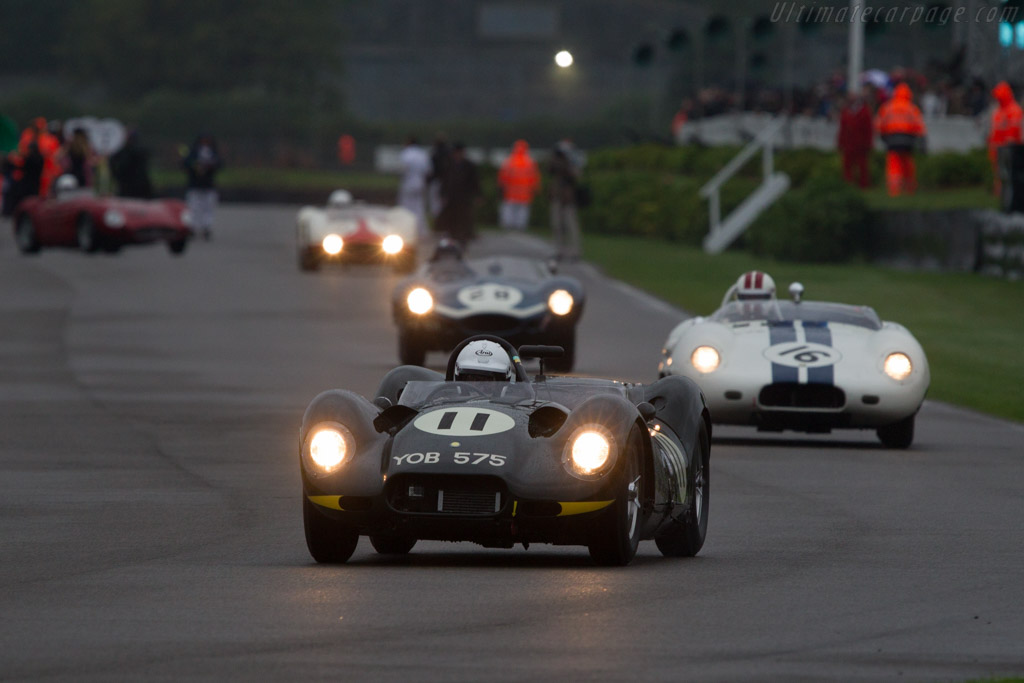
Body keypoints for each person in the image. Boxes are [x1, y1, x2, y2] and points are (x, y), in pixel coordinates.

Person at [875, 83, 926, 197]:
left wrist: (884, 138)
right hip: (908, 140)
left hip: (892, 140)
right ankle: (910, 189)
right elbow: (920, 126)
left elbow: (879, 125)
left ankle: (894, 190)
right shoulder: (911, 108)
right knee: (908, 164)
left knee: (893, 165)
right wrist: (922, 142)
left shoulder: (888, 107)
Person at [434, 142, 480, 248]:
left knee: (464, 217)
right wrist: (442, 194)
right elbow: (445, 181)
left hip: (464, 196)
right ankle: (451, 237)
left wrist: (478, 195)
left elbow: (475, 181)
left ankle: (464, 237)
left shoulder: (469, 165)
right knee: (451, 217)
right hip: (451, 196)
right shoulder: (449, 165)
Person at [182, 134, 223, 240]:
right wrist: (196, 166)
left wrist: (209, 166)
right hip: (195, 184)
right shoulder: (193, 152)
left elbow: (219, 164)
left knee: (208, 208)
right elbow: (185, 164)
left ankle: (206, 227)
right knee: (194, 208)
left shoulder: (213, 152)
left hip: (208, 185)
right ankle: (192, 227)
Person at [987, 81, 1023, 197]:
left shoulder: (1014, 110)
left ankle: (1011, 195)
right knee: (998, 173)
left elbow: (1013, 132)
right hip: (997, 149)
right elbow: (994, 129)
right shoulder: (997, 111)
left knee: (1010, 174)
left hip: (1010, 150)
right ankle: (1000, 192)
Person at [547, 140, 582, 261]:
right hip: (557, 196)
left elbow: (575, 176)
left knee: (570, 225)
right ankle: (558, 250)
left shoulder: (574, 162)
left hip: (568, 198)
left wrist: (569, 162)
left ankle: (574, 252)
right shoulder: (556, 161)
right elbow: (550, 169)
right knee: (556, 225)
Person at [497, 139, 540, 232]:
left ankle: (508, 225)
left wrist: (501, 186)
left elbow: (503, 176)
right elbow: (534, 177)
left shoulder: (509, 161)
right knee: (523, 210)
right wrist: (535, 188)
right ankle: (520, 226)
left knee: (509, 209)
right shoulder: (530, 162)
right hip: (524, 192)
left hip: (510, 191)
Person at [837, 94, 873, 189]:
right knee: (847, 166)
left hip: (861, 144)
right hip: (849, 144)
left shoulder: (864, 112)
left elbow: (868, 130)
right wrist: (840, 142)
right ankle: (848, 185)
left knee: (862, 167)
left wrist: (868, 143)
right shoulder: (846, 112)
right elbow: (842, 129)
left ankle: (863, 186)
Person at [397, 135, 431, 237]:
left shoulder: (406, 154)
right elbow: (428, 171)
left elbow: (402, 170)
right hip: (420, 183)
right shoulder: (423, 154)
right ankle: (421, 231)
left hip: (408, 183)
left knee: (406, 208)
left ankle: (405, 231)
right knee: (419, 208)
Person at [110, 130, 154, 199]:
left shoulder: (124, 152)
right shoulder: (141, 151)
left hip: (128, 188)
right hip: (139, 187)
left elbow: (115, 165)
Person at [427, 133, 450, 218]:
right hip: (446, 181)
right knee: (442, 203)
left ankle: (438, 221)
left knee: (435, 203)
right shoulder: (448, 152)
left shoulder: (435, 153)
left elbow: (431, 169)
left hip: (437, 180)